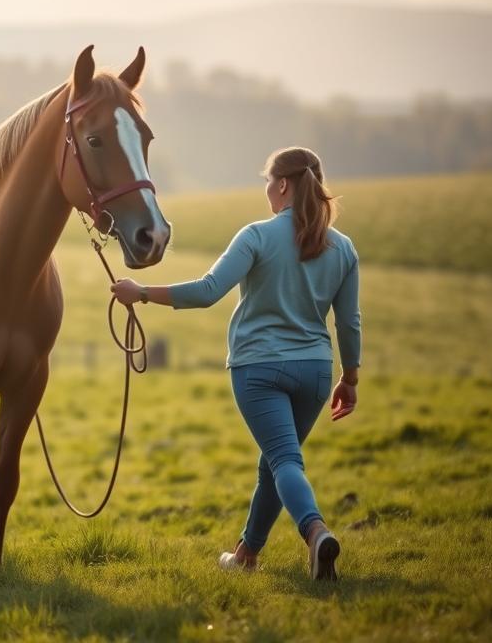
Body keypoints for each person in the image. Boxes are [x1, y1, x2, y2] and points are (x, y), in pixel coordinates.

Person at [111, 146, 360, 581]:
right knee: (277, 461)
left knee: (284, 461)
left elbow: (208, 291)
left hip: (259, 368)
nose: (266, 189)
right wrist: (350, 377)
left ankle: (316, 532)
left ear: (283, 185)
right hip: (316, 372)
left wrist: (143, 292)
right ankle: (246, 554)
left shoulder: (256, 236)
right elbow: (349, 321)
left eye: (268, 180)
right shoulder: (343, 247)